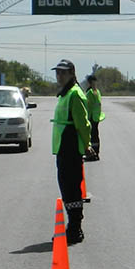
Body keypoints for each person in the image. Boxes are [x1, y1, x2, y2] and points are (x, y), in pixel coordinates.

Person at [51, 59, 91, 244]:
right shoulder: (64, 94)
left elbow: (83, 123)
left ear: (72, 74)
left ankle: (75, 228)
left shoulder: (75, 94)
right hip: (62, 147)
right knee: (66, 187)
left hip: (71, 147)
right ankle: (72, 226)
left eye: (63, 73)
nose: (60, 76)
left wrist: (87, 144)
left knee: (72, 188)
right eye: (58, 72)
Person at [84, 74, 105, 161]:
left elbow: (87, 105)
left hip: (91, 116)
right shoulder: (97, 92)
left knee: (92, 136)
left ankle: (93, 154)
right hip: (96, 116)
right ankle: (96, 153)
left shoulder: (90, 93)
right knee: (95, 135)